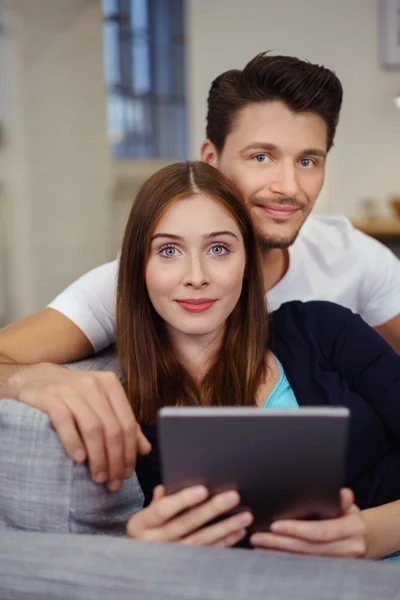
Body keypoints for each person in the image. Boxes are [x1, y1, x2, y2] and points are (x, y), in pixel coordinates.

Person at [2, 52, 400, 490]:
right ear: (211, 159)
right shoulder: (136, 284)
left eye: (308, 161)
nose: (288, 187)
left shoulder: (353, 258)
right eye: (262, 157)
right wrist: (28, 377)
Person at [114, 160, 400, 560]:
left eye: (218, 248)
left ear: (247, 262)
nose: (196, 275)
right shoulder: (130, 410)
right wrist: (138, 553)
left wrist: (371, 534)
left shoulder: (325, 329)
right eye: (168, 250)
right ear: (138, 268)